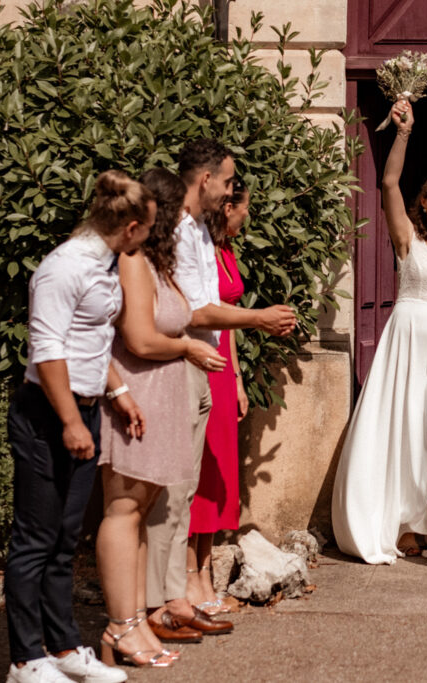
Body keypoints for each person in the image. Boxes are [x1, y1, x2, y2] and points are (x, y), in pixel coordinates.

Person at [145, 139, 295, 642]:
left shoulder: (197, 231)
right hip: (183, 360)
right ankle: (163, 604)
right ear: (206, 179)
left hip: (206, 361)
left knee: (186, 489)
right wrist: (259, 318)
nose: (232, 192)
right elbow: (194, 310)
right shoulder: (177, 230)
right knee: (173, 492)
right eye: (229, 181)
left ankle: (176, 599)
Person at [4, 170, 150, 683]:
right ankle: (25, 659)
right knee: (34, 541)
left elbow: (90, 341)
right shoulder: (62, 268)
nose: (149, 238)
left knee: (64, 539)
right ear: (130, 227)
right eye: (147, 229)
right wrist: (69, 421)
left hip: (85, 410)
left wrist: (116, 392)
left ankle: (64, 649)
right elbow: (47, 350)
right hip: (46, 415)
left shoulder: (104, 264)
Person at [332, 99, 427, 568]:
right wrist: (404, 132)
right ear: (424, 202)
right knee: (406, 432)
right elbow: (388, 182)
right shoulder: (406, 239)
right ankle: (405, 525)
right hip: (408, 342)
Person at [94, 167, 228, 669]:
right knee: (125, 510)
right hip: (141, 395)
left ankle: (134, 624)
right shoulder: (134, 262)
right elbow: (139, 339)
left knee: (143, 514)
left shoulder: (159, 263)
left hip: (163, 395)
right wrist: (188, 347)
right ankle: (121, 626)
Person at [188, 176, 251, 612]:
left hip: (224, 370)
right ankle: (189, 580)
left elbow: (227, 325)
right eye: (245, 208)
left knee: (218, 474)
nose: (247, 216)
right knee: (199, 474)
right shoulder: (200, 253)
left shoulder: (226, 250)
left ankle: (206, 575)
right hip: (200, 365)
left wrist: (238, 378)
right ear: (228, 208)